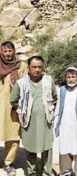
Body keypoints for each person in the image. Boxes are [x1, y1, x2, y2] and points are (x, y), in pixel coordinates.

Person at [10, 56, 57, 176]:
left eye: (39, 67)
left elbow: (55, 97)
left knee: (47, 149)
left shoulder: (48, 81)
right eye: (34, 67)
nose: (37, 70)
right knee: (30, 149)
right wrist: (21, 111)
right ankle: (31, 173)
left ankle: (47, 172)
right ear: (28, 67)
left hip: (45, 122)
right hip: (29, 122)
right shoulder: (21, 83)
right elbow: (13, 100)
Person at [0, 41, 27, 176]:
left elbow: (26, 85)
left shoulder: (20, 66)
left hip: (13, 108)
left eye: (10, 51)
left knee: (13, 135)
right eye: (5, 51)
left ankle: (8, 163)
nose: (7, 54)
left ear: (14, 51)